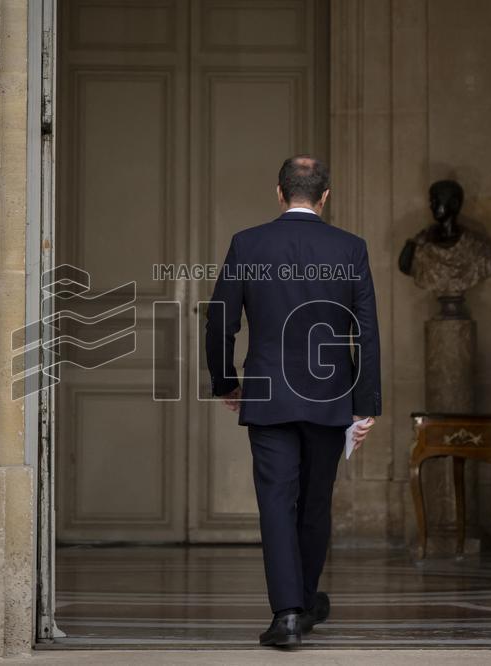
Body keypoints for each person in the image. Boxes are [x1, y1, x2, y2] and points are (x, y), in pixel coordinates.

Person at [205, 155, 381, 648]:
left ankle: (287, 614)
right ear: (325, 197)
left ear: (279, 193)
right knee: (315, 502)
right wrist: (365, 403)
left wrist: (225, 383)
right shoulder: (350, 248)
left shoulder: (248, 243)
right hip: (331, 396)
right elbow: (366, 331)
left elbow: (220, 321)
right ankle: (302, 602)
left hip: (269, 394)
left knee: (277, 502)